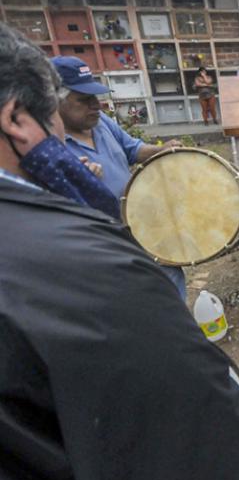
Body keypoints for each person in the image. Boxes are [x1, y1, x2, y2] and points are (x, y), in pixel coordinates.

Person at [0, 22, 239, 480]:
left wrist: (174, 155)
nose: (94, 107)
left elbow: (137, 150)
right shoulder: (75, 254)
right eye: (76, 104)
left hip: (149, 249)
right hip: (121, 261)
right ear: (19, 121)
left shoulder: (103, 129)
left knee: (170, 310)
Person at [53, 56, 186, 300]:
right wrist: (75, 186)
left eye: (95, 96)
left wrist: (161, 149)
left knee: (170, 281)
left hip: (142, 227)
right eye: (84, 100)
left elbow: (132, 149)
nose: (96, 105)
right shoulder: (49, 148)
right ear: (54, 101)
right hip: (106, 246)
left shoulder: (100, 122)